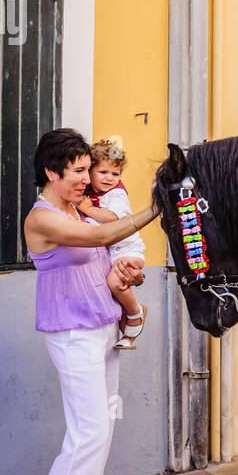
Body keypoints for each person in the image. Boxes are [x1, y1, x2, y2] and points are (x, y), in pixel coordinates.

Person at [15, 129, 157, 475]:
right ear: (51, 172)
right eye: (77, 171)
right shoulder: (42, 218)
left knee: (102, 424)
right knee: (87, 433)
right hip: (72, 334)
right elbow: (99, 239)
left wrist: (126, 271)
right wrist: (158, 208)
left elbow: (103, 255)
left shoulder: (75, 206)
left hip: (101, 326)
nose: (86, 179)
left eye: (85, 169)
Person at [83, 136, 148, 349]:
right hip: (114, 252)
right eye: (103, 172)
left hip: (128, 249)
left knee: (115, 282)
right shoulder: (90, 193)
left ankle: (135, 312)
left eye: (115, 174)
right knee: (113, 288)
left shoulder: (117, 193)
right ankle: (129, 324)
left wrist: (86, 208)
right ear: (90, 171)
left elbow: (113, 218)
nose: (110, 178)